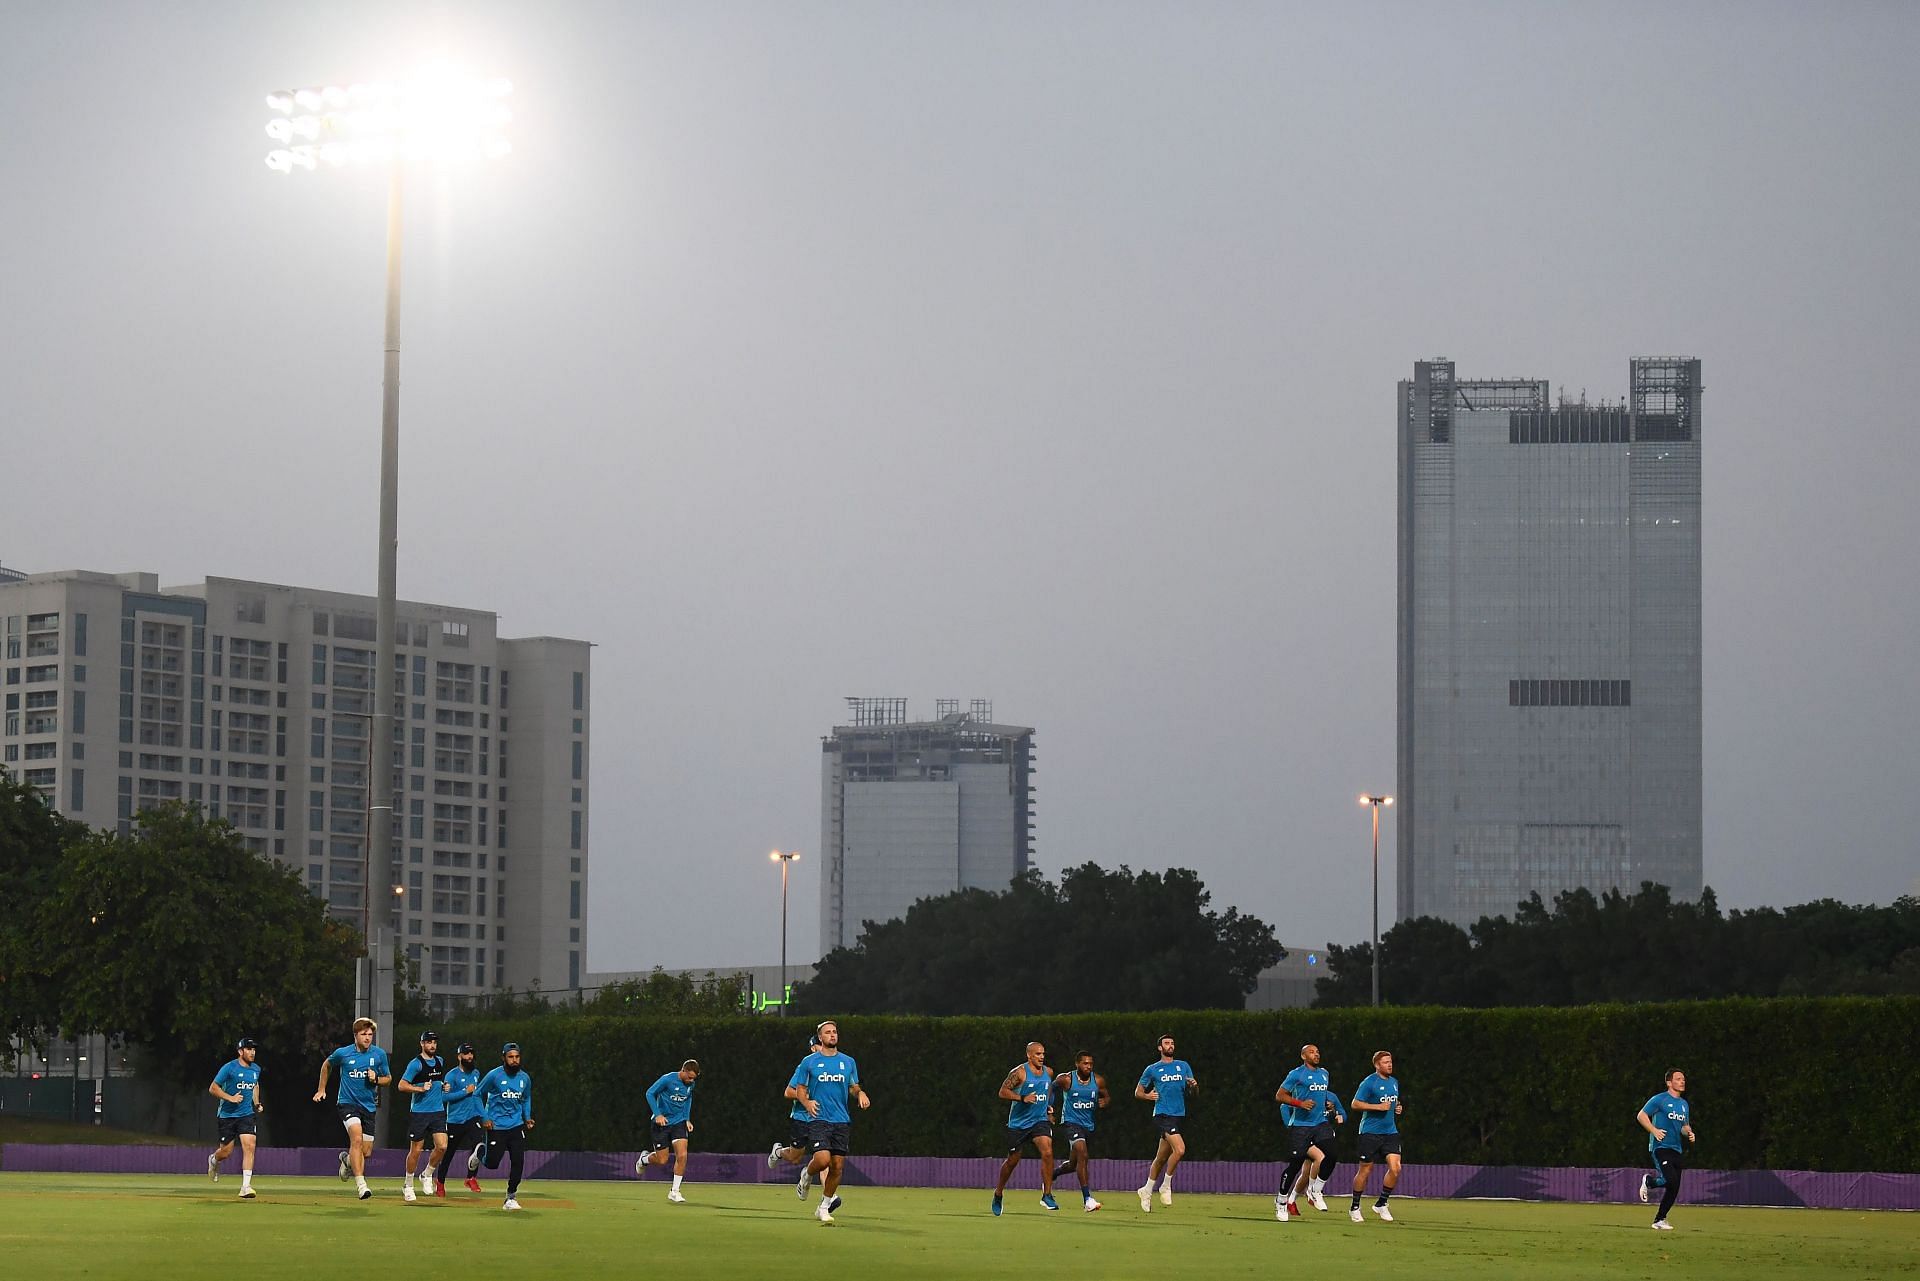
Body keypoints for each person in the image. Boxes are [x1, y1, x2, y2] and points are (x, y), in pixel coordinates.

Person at [790, 1020, 871, 1225]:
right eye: (828, 1032)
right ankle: (807, 1174)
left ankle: (823, 1207)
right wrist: (807, 1103)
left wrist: (860, 1093)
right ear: (820, 1038)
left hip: (841, 1120)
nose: (833, 1035)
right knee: (823, 1160)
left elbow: (853, 1086)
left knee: (837, 1167)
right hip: (819, 1118)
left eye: (835, 1032)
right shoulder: (809, 1062)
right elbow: (799, 1089)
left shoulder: (848, 1061)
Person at [313, 1017, 391, 1201]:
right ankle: (361, 1185)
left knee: (366, 1152)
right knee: (356, 1138)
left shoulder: (379, 1055)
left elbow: (388, 1078)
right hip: (347, 1103)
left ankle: (347, 1160)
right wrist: (321, 1089)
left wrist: (376, 1080)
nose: (367, 1038)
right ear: (355, 1035)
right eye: (364, 1034)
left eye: (370, 1035)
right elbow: (327, 1065)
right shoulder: (343, 1053)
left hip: (368, 1106)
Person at [1273, 1043, 1342, 1222]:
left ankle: (1315, 1190)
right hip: (1301, 1125)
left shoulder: (1324, 1073)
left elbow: (1322, 1095)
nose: (1316, 1054)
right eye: (1312, 1052)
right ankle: (1281, 1201)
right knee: (1295, 1165)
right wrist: (1300, 1104)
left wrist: (1329, 1105)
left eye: (1318, 1051)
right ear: (1303, 1056)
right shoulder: (1296, 1074)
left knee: (1332, 1154)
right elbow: (1280, 1096)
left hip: (1320, 1124)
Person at [992, 1042, 1059, 1216]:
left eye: (1043, 1053)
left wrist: (1048, 1107)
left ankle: (1047, 1195)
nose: (1042, 1057)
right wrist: (1022, 1098)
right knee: (1013, 1161)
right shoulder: (1019, 1073)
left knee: (1048, 1151)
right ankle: (998, 1193)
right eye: (1037, 1054)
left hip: (1039, 1121)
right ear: (1029, 1055)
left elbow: (1049, 1090)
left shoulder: (1049, 1072)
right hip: (1019, 1124)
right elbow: (1002, 1092)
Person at [1133, 1034, 1198, 1211]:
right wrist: (1147, 1096)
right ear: (1160, 1048)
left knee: (1161, 1158)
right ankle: (1166, 1185)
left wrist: (1193, 1085)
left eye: (1172, 1043)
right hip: (1162, 1115)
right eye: (1166, 1043)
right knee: (1180, 1149)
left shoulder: (1183, 1066)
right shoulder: (1153, 1069)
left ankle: (1146, 1190)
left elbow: (1193, 1092)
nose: (1170, 1046)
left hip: (1178, 1115)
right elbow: (1138, 1092)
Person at [477, 1042, 536, 1211]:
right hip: (496, 1126)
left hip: (516, 1126)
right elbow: (476, 1095)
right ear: (503, 1058)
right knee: (492, 1163)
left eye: (517, 1057)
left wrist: (527, 1117)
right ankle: (478, 1153)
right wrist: (484, 1117)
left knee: (518, 1161)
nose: (514, 1060)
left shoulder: (524, 1078)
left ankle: (510, 1197)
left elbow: (526, 1098)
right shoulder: (494, 1076)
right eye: (510, 1057)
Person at [1637, 1069, 1697, 1230]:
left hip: (1676, 1148)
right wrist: (1654, 1130)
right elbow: (1641, 1115)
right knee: (1670, 1179)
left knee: (1674, 1186)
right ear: (1669, 1083)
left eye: (1683, 1079)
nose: (1682, 1081)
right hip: (1660, 1147)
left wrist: (1689, 1133)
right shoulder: (1660, 1099)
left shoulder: (1684, 1104)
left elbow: (1684, 1126)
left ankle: (1659, 1220)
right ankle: (1649, 1181)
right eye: (1678, 1079)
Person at [1348, 1049, 1404, 1222]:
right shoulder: (1369, 1082)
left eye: (1390, 1062)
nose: (1389, 1064)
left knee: (1396, 1168)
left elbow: (1393, 1101)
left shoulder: (1394, 1082)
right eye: (1386, 1062)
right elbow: (1355, 1104)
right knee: (1366, 1169)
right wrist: (1377, 1107)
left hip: (1390, 1132)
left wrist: (1397, 1107)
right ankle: (1355, 1207)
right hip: (1370, 1133)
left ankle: (1381, 1203)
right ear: (1377, 1065)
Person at [1050, 1050, 1108, 1212]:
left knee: (1074, 1164)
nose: (1088, 1066)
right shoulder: (1067, 1079)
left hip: (1088, 1125)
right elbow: (1051, 1088)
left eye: (1090, 1063)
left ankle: (1053, 1174)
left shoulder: (1098, 1080)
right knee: (1083, 1153)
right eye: (1085, 1063)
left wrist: (1104, 1101)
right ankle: (1087, 1199)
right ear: (1077, 1064)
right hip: (1070, 1123)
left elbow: (1106, 1096)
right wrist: (1050, 1109)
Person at [636, 1059, 701, 1203]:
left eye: (693, 1078)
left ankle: (675, 1191)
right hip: (662, 1123)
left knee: (682, 1155)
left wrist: (687, 1119)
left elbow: (688, 1099)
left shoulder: (690, 1084)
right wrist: (657, 1114)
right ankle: (644, 1159)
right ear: (683, 1070)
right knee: (662, 1160)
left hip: (678, 1122)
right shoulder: (667, 1079)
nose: (691, 1081)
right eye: (689, 1077)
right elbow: (649, 1093)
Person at [207, 1036, 263, 1199]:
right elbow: (213, 1088)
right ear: (240, 1051)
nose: (252, 1053)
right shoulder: (229, 1068)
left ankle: (246, 1186)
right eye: (248, 1049)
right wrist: (230, 1097)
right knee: (226, 1152)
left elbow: (255, 1085)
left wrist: (257, 1103)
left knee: (250, 1145)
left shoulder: (256, 1069)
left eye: (253, 1049)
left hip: (246, 1114)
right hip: (227, 1115)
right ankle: (214, 1160)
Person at [397, 1030, 449, 1202]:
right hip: (420, 1112)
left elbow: (438, 1082)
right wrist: (419, 1089)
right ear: (422, 1044)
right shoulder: (416, 1064)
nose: (432, 1045)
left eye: (434, 1042)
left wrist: (444, 1086)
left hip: (438, 1111)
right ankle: (408, 1184)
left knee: (442, 1147)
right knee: (416, 1151)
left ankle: (427, 1174)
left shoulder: (440, 1061)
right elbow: (402, 1085)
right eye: (428, 1042)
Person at [769, 1034, 820, 1197]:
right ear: (813, 1048)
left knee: (824, 1157)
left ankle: (826, 1201)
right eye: (819, 1046)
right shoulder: (805, 1066)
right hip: (801, 1118)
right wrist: (807, 1099)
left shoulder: (832, 1066)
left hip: (821, 1119)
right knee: (795, 1157)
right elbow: (789, 1091)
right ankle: (778, 1152)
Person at [435, 1042, 487, 1195]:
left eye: (471, 1053)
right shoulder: (452, 1075)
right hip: (455, 1120)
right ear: (459, 1056)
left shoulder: (476, 1073)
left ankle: (471, 1178)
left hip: (473, 1118)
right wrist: (465, 1091)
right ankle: (440, 1182)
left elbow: (477, 1096)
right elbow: (444, 1097)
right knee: (448, 1153)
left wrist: (484, 1116)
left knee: (479, 1147)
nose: (470, 1056)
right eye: (466, 1054)